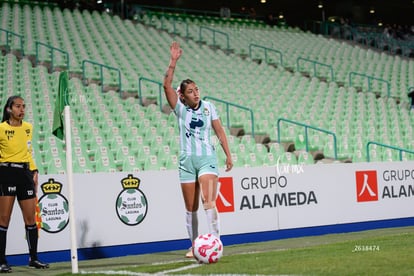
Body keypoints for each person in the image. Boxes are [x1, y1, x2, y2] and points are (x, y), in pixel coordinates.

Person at [163, 41, 233, 258]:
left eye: (197, 89)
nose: (196, 93)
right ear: (182, 96)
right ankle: (194, 246)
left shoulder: (209, 107)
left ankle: (216, 243)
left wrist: (228, 155)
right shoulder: (180, 110)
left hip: (207, 160)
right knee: (191, 208)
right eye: (191, 91)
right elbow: (166, 86)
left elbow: (220, 132)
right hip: (186, 162)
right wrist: (173, 62)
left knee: (209, 201)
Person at [0, 95, 49, 272]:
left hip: (25, 174)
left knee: (30, 220)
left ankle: (33, 258)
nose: (22, 110)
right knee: (4, 219)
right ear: (9, 109)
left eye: (24, 107)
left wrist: (34, 171)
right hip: (6, 173)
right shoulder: (1, 128)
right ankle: (1, 261)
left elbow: (28, 152)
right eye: (18, 107)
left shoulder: (29, 128)